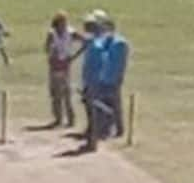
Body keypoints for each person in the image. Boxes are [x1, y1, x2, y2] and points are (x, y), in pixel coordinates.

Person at [75, 11, 110, 152]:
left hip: (93, 82)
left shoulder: (97, 45)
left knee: (92, 111)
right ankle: (92, 138)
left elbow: (97, 65)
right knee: (90, 110)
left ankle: (93, 140)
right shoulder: (94, 42)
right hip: (89, 80)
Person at [43, 12, 83, 129]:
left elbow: (85, 41)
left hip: (65, 65)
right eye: (61, 22)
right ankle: (58, 118)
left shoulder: (70, 32)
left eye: (65, 22)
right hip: (54, 65)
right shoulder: (52, 33)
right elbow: (47, 48)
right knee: (55, 93)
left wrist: (73, 56)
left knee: (67, 93)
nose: (63, 24)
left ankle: (71, 119)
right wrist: (52, 54)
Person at [101, 14, 130, 141]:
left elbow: (122, 62)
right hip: (104, 76)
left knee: (115, 104)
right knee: (105, 104)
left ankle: (119, 129)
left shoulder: (120, 43)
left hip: (114, 77)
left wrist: (119, 76)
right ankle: (107, 127)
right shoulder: (104, 42)